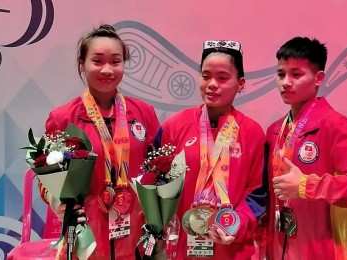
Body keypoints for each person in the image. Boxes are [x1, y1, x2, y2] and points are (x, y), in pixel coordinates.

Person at [37, 24, 160, 259]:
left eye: (115, 61)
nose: (107, 69)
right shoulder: (63, 118)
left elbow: (158, 170)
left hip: (135, 237)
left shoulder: (144, 113)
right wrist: (56, 201)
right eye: (97, 61)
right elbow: (45, 175)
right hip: (86, 236)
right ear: (82, 64)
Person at [265, 36, 347, 259]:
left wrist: (307, 186)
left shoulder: (335, 125)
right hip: (279, 250)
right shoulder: (274, 131)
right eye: (281, 74)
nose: (285, 82)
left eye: (296, 74)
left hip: (324, 251)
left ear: (318, 78)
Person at [154, 40, 266, 259]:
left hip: (231, 247)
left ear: (240, 83)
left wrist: (236, 225)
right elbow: (156, 181)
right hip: (182, 247)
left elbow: (257, 194)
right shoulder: (173, 127)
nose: (212, 84)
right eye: (205, 76)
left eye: (223, 78)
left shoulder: (253, 133)